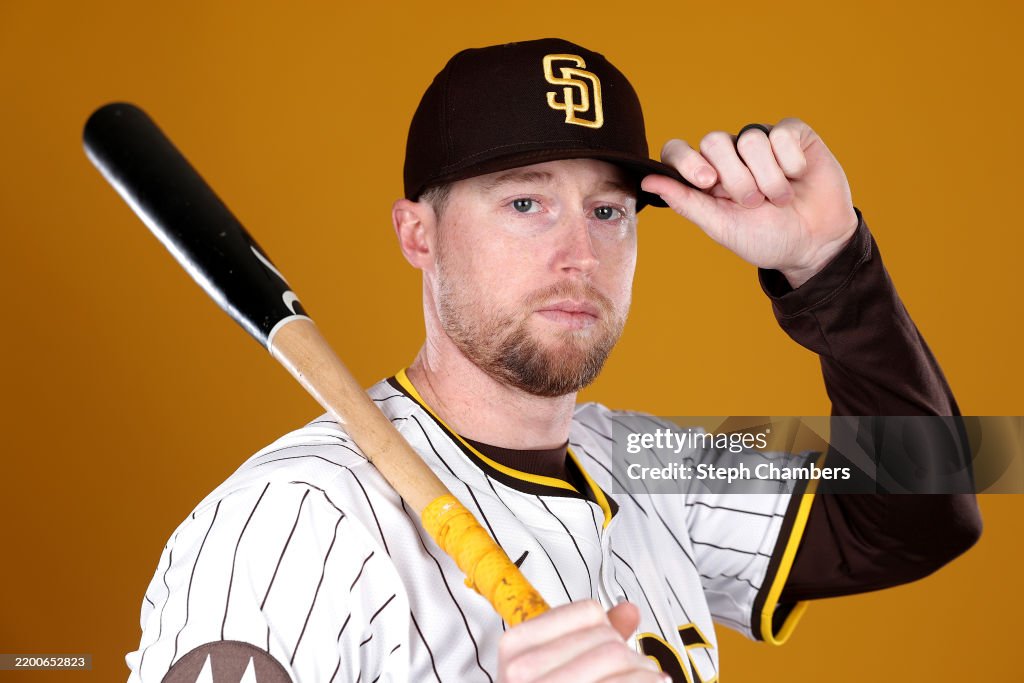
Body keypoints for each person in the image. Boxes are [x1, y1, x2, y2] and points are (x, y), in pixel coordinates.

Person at [126, 38, 981, 683]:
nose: (578, 252)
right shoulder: (288, 520)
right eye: (526, 201)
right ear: (417, 234)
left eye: (609, 210)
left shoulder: (654, 459)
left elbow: (930, 505)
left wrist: (832, 268)